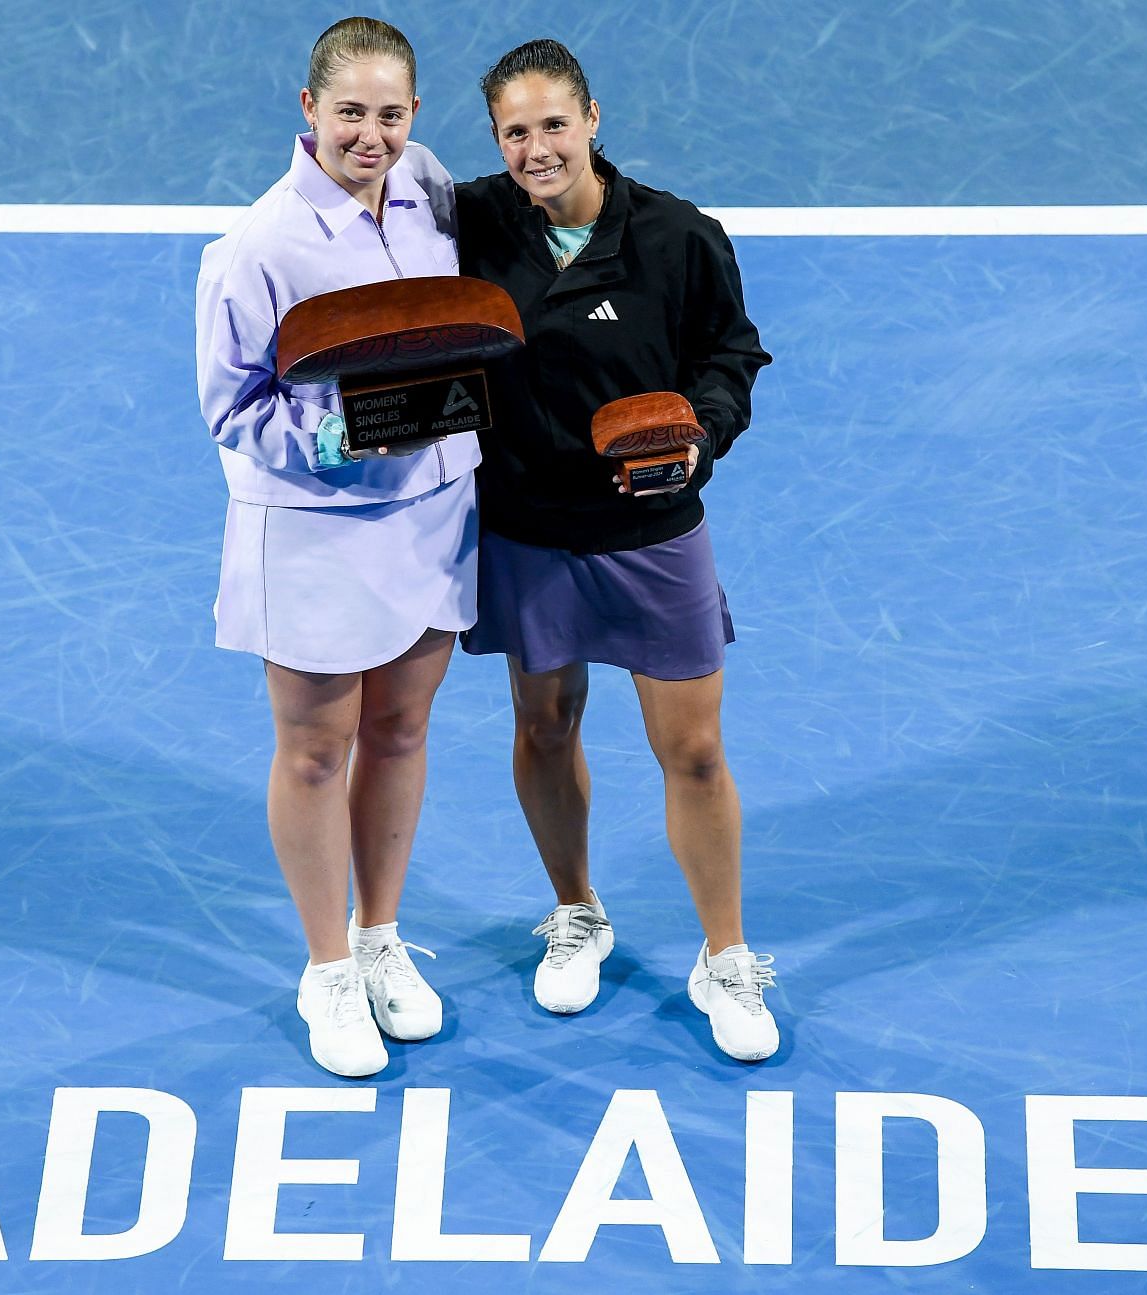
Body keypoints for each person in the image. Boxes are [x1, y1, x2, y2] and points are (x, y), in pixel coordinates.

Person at [455, 39, 780, 1060]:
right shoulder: (469, 224)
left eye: (554, 124)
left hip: (650, 530)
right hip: (529, 526)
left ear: (593, 118)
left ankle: (726, 953)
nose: (537, 147)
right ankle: (577, 909)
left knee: (692, 747)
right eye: (516, 131)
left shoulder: (678, 237)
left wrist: (700, 435)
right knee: (544, 724)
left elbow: (731, 355)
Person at [195, 17, 474, 1078]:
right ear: (307, 111)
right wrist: (342, 438)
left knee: (399, 731)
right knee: (318, 749)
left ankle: (378, 935)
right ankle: (325, 968)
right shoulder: (258, 247)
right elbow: (233, 411)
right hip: (318, 530)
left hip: (436, 514)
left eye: (391, 113)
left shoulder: (433, 189)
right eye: (350, 111)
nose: (372, 133)